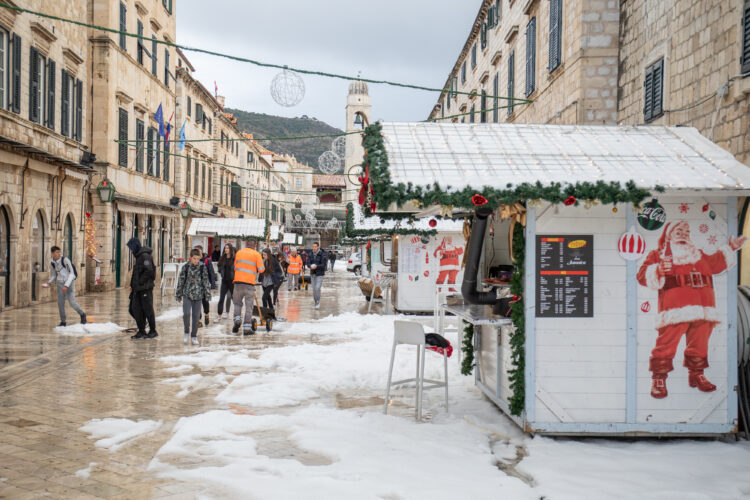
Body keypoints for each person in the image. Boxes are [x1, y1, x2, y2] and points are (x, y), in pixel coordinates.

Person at [637, 220, 746, 399]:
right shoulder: (659, 255)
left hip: (703, 308)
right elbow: (641, 275)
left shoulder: (699, 255)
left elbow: (717, 263)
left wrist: (730, 248)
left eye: (687, 231)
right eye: (679, 230)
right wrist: (658, 270)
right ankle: (659, 378)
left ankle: (696, 375)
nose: (683, 233)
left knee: (700, 343)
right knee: (666, 345)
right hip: (674, 310)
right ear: (669, 234)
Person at [176, 248, 212, 345]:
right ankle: (186, 332)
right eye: (194, 258)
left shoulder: (202, 267)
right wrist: (178, 294)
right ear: (190, 258)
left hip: (198, 295)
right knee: (186, 314)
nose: (196, 261)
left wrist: (207, 294)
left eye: (198, 259)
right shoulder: (185, 267)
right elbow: (181, 281)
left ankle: (194, 335)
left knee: (196, 316)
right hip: (187, 294)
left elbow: (205, 281)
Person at [44, 246, 86, 327]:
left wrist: (66, 285)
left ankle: (82, 314)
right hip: (60, 284)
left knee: (72, 302)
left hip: (69, 283)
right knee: (60, 303)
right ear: (52, 253)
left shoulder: (65, 260)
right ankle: (63, 322)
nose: (59, 254)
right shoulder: (52, 263)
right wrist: (49, 283)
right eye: (57, 252)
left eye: (60, 252)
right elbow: (54, 275)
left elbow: (72, 273)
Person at [127, 238, 158, 339]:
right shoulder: (138, 257)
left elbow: (149, 270)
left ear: (135, 246)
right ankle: (141, 330)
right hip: (137, 289)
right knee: (134, 309)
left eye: (131, 248)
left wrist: (140, 282)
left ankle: (153, 331)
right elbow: (135, 272)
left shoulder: (144, 256)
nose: (130, 250)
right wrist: (132, 284)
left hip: (145, 288)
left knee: (148, 309)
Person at [232, 239, 265, 334]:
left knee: (237, 303)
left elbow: (235, 267)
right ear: (255, 245)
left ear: (246, 244)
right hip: (249, 284)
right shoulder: (256, 254)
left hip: (238, 282)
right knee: (248, 306)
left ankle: (237, 319)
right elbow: (261, 269)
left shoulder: (239, 253)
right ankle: (246, 328)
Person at [194, 245, 216, 326]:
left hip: (205, 285)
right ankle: (199, 320)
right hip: (196, 285)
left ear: (201, 252)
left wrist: (213, 285)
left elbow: (212, 273)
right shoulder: (193, 260)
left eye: (198, 251)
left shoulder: (207, 260)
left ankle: (206, 314)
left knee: (205, 301)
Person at [260, 249, 283, 313]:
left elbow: (279, 272)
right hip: (264, 282)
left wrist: (272, 273)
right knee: (268, 298)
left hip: (271, 282)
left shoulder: (274, 261)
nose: (263, 256)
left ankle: (265, 314)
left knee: (264, 298)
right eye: (263, 254)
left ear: (268, 254)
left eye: (264, 254)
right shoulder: (264, 261)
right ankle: (271, 312)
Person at [217, 244, 235, 319]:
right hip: (224, 281)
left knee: (234, 299)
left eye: (227, 248)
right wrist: (221, 271)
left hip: (232, 281)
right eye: (225, 248)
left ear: (230, 249)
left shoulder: (234, 258)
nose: (226, 249)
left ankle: (237, 315)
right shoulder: (222, 258)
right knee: (221, 298)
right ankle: (219, 316)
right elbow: (219, 266)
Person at [309, 242, 328, 309]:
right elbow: (308, 262)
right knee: (314, 289)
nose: (314, 248)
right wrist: (310, 266)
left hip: (320, 274)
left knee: (317, 288)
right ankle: (316, 302)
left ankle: (318, 302)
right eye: (313, 246)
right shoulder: (311, 254)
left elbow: (323, 264)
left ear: (318, 247)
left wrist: (316, 266)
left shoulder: (322, 254)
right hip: (313, 273)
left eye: (315, 246)